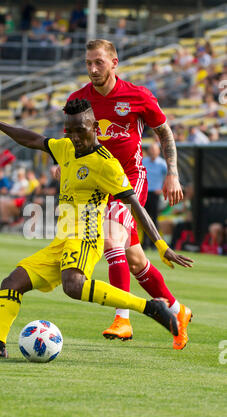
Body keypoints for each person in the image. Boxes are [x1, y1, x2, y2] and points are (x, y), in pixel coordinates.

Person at [0, 99, 193, 357]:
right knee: (12, 282)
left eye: (80, 130)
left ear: (94, 126)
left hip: (87, 236)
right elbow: (34, 140)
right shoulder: (65, 148)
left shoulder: (106, 164)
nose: (74, 137)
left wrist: (160, 244)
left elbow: (135, 205)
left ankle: (150, 307)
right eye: (69, 131)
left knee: (73, 285)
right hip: (62, 239)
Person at [66, 39, 191, 350]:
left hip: (129, 180)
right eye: (88, 63)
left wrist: (172, 172)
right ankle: (178, 311)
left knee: (110, 239)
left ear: (114, 62)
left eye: (99, 62)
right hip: (97, 185)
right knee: (135, 260)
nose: (93, 69)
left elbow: (164, 131)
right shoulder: (79, 99)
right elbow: (71, 136)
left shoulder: (137, 96)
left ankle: (123, 318)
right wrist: (64, 162)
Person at [142, 142, 167, 248]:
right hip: (145, 193)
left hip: (155, 194)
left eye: (154, 150)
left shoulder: (162, 163)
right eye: (151, 149)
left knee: (154, 219)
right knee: (143, 218)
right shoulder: (144, 161)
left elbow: (169, 176)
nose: (152, 152)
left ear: (158, 151)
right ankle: (145, 243)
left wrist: (162, 188)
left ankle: (155, 244)